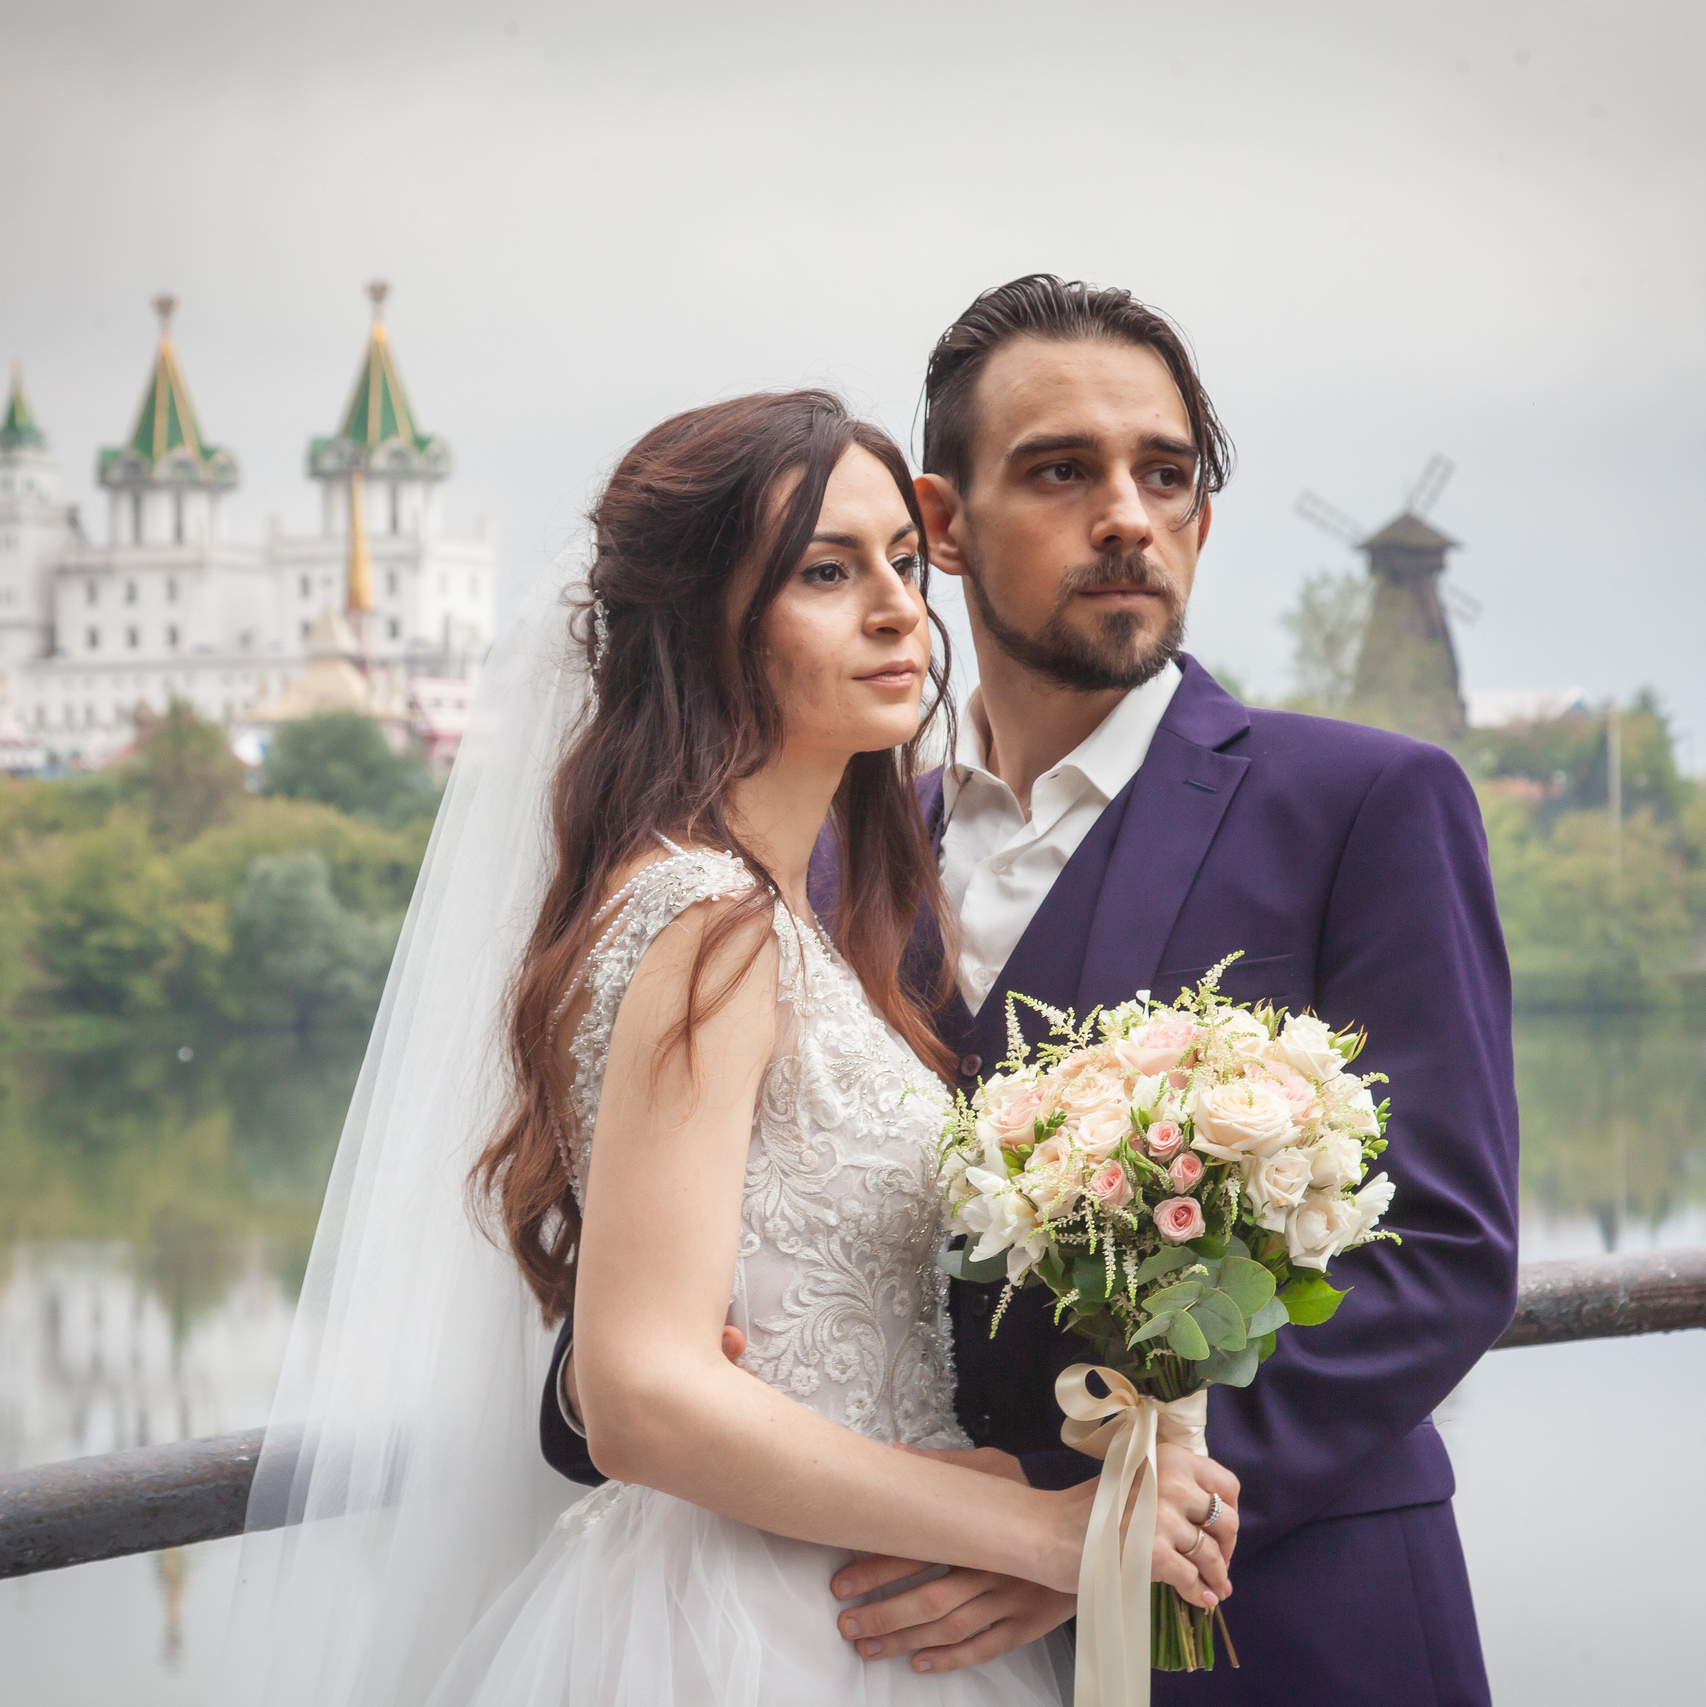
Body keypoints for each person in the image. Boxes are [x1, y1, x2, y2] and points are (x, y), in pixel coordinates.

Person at [540, 279, 1521, 1704]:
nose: (1126, 514)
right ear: (944, 523)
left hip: (1283, 1623)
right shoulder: (801, 874)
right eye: (1062, 470)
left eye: (1166, 474)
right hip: (872, 1628)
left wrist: (1096, 1519)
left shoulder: (1366, 805)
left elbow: (1441, 1250)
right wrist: (604, 1388)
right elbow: (682, 1273)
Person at [226, 389, 1236, 1707]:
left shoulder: (792, 921)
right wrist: (1048, 1533)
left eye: (898, 560)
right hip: (760, 1633)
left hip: (856, 1595)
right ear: (708, 625)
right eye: (825, 571)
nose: (895, 610)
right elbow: (636, 1391)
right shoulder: (707, 923)